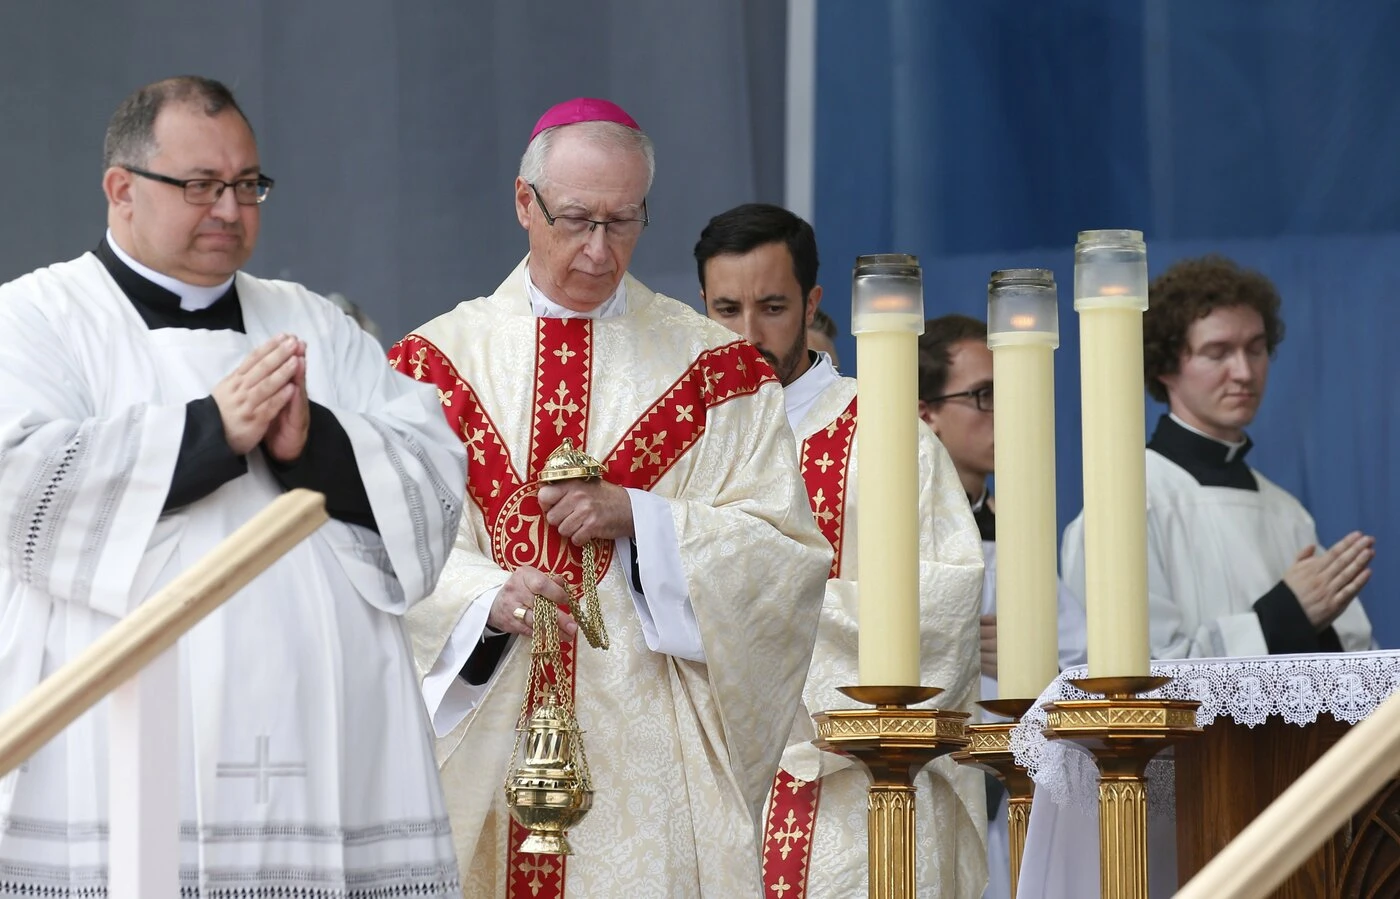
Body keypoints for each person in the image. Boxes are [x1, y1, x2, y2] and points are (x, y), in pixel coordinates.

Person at [0, 77, 465, 896]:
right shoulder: (38, 317)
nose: (229, 208)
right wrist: (210, 431)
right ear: (121, 189)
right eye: (201, 186)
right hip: (118, 739)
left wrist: (313, 442)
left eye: (247, 185)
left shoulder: (312, 321)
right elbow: (21, 481)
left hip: (319, 743)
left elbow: (428, 469)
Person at [391, 100, 831, 898]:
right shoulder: (432, 366)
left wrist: (644, 519)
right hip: (482, 743)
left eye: (623, 223)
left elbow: (783, 558)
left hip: (646, 757)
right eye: (576, 220)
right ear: (525, 204)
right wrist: (486, 595)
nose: (599, 251)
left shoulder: (716, 373)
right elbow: (389, 543)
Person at [696, 202, 987, 898]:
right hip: (713, 796)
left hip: (857, 798)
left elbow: (941, 611)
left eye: (772, 306)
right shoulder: (686, 445)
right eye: (725, 308)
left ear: (812, 302)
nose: (749, 334)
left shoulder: (886, 433)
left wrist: (739, 601)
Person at [1061, 255, 1375, 658]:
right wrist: (1285, 616)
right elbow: (1135, 677)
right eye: (1218, 352)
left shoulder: (1286, 512)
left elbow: (1358, 659)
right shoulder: (1129, 505)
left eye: (1256, 349)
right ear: (1165, 366)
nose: (1244, 372)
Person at [917, 314, 1088, 899]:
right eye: (984, 396)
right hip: (921, 796)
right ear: (925, 414)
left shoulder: (1016, 529)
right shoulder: (889, 531)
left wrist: (1036, 657)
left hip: (1018, 795)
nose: (1006, 411)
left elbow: (1081, 656)